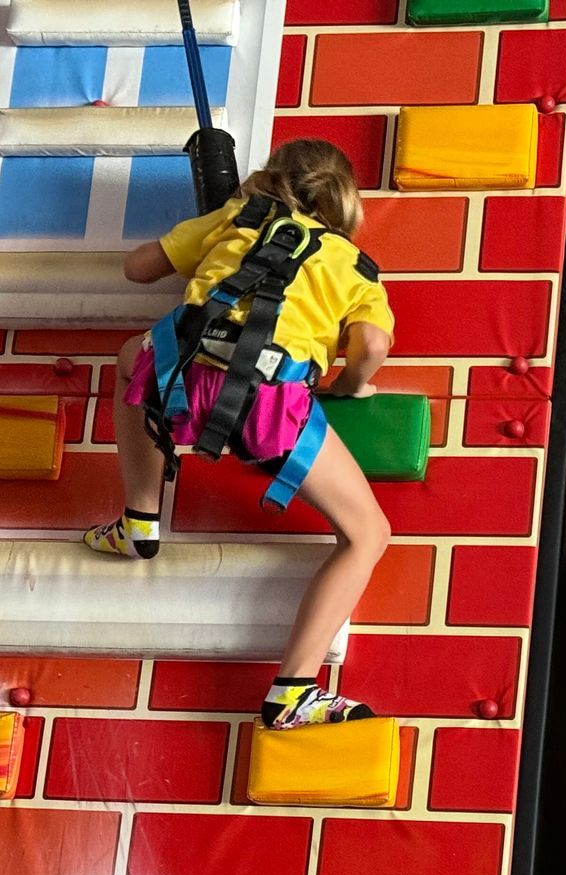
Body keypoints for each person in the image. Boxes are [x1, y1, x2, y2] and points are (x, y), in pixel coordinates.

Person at [87, 137, 394, 731]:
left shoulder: (237, 215)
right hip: (267, 409)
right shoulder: (357, 270)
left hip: (176, 376)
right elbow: (372, 345)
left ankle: (140, 518)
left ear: (271, 178)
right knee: (367, 534)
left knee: (129, 355)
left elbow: (137, 268)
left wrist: (212, 226)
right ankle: (294, 691)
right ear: (347, 207)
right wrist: (350, 384)